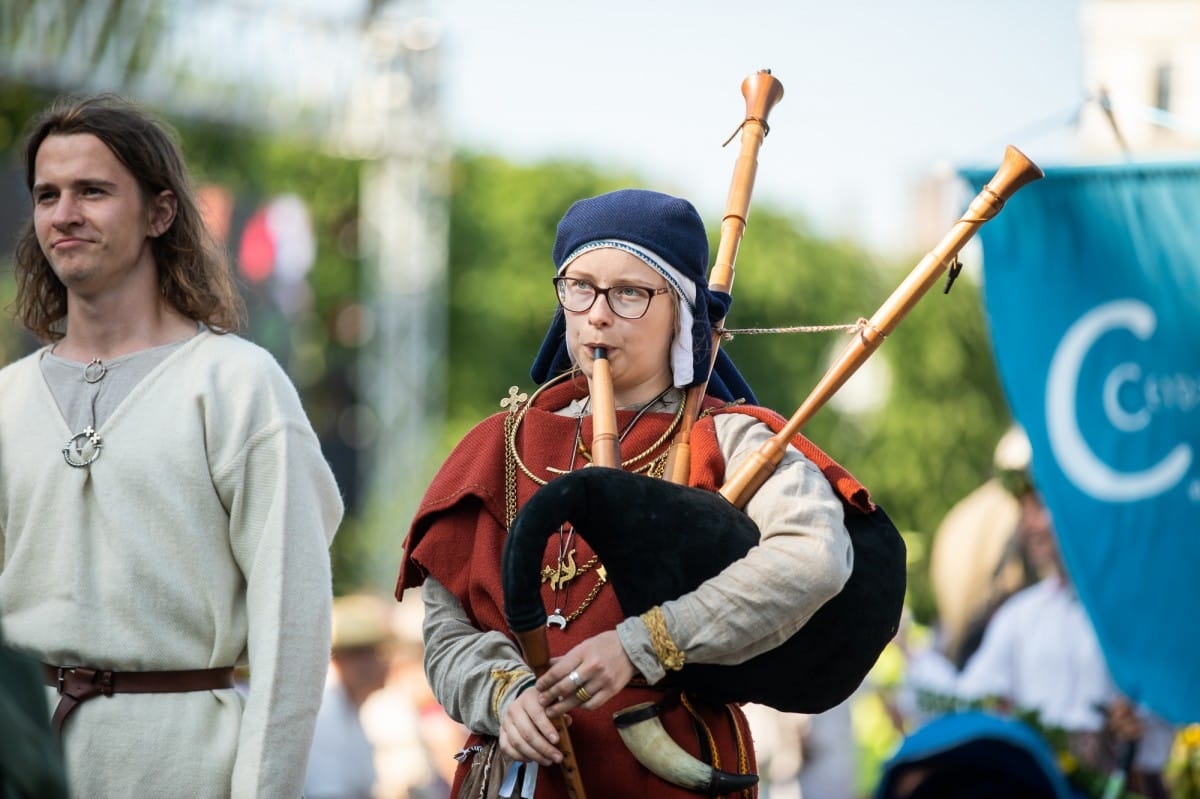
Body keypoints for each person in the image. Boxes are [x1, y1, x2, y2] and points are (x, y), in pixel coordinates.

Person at [396, 188, 859, 797]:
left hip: (674, 772)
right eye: (579, 286)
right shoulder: (500, 445)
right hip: (519, 777)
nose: (598, 314)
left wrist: (643, 644)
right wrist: (504, 694)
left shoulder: (731, 439)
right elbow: (446, 632)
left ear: (683, 310)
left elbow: (814, 554)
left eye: (631, 293)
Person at [0, 93, 344, 797]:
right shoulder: (6, 398)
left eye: (93, 191)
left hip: (183, 766)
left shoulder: (237, 384)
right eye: (47, 194)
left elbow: (293, 629)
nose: (64, 213)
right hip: (23, 761)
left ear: (160, 212)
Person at [955, 428, 1174, 797]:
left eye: (1038, 506)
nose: (1028, 525)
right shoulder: (1021, 615)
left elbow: (1161, 728)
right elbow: (967, 700)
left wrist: (1135, 727)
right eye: (1022, 510)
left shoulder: (1136, 610)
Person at [306, 594, 396, 799]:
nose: (382, 662)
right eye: (371, 652)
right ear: (342, 660)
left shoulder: (348, 706)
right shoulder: (326, 714)